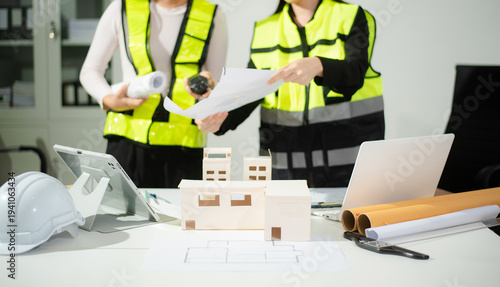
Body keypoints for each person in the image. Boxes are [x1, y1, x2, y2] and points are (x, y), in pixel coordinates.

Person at [202, 0, 384, 187]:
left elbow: (355, 72)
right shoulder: (266, 29)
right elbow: (251, 93)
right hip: (284, 168)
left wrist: (319, 66)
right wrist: (218, 117)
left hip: (349, 163)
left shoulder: (350, 15)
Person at [80, 0, 228, 188]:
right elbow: (90, 70)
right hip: (128, 142)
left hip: (184, 148)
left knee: (181, 217)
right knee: (124, 216)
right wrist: (110, 100)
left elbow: (216, 84)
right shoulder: (123, 7)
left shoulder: (212, 14)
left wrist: (209, 93)